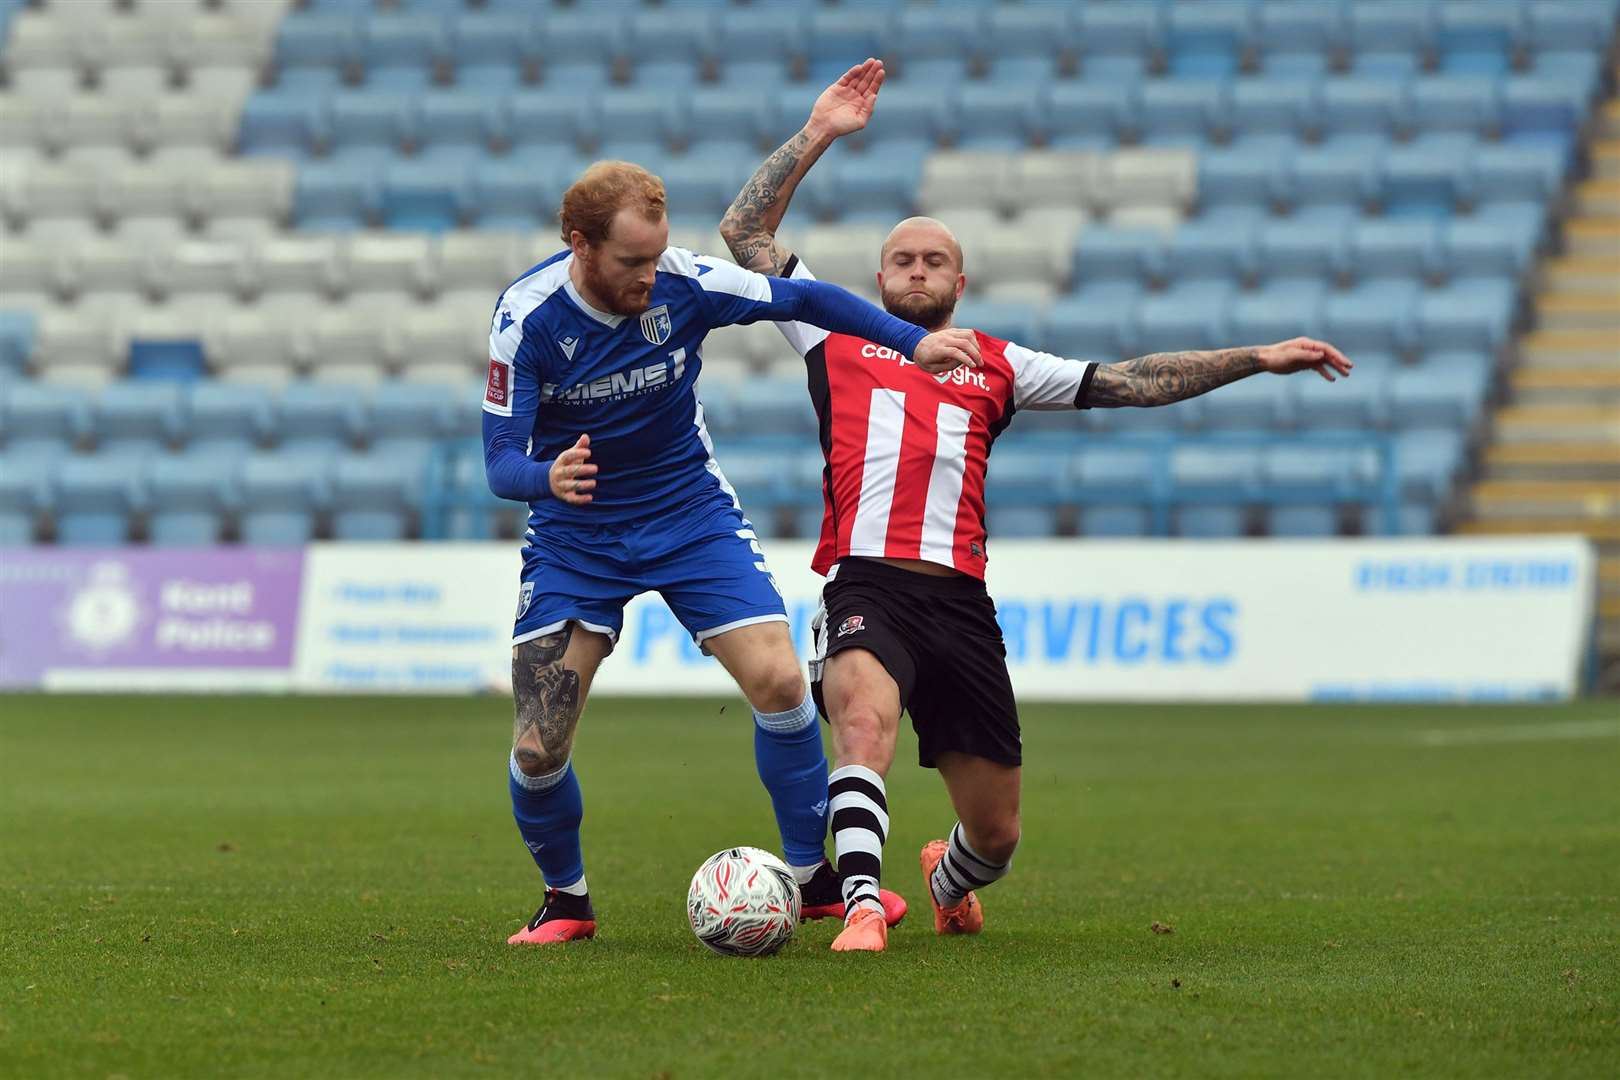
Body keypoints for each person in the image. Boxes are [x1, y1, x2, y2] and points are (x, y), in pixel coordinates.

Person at [719, 60, 1354, 953]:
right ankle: (862, 903)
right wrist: (820, 130)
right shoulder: (832, 327)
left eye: (934, 259)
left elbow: (1130, 382)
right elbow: (743, 230)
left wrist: (1258, 355)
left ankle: (946, 881)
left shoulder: (1001, 364)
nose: (915, 268)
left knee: (999, 834)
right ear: (881, 274)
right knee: (861, 723)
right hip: (866, 587)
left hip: (959, 607)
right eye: (901, 258)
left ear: (958, 284)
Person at [485, 159, 980, 943]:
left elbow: (807, 297)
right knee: (539, 745)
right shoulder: (528, 321)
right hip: (577, 537)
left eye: (657, 256)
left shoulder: (685, 282)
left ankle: (813, 879)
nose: (652, 275)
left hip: (688, 513)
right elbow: (500, 463)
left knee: (783, 681)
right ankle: (567, 900)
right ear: (579, 245)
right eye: (631, 263)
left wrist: (907, 341)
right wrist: (546, 475)